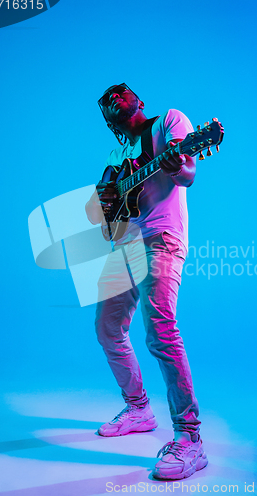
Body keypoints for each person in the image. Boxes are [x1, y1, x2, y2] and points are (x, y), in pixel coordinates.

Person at [85, 83, 208, 480]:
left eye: (120, 93)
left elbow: (187, 173)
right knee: (107, 329)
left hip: (163, 238)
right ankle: (138, 408)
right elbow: (97, 214)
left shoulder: (168, 123)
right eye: (106, 101)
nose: (113, 99)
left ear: (138, 99)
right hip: (126, 243)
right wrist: (105, 201)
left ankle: (190, 439)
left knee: (159, 330)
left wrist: (179, 164)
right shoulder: (115, 156)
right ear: (107, 120)